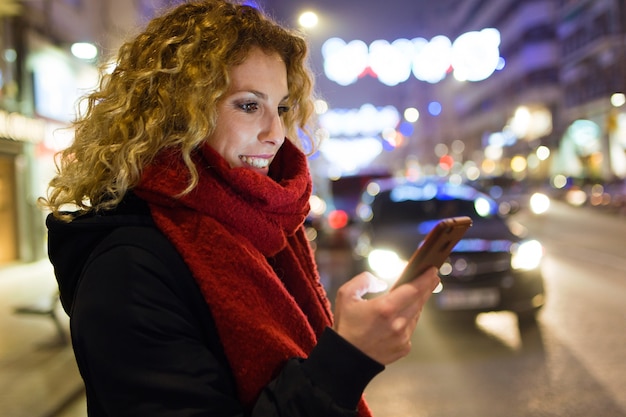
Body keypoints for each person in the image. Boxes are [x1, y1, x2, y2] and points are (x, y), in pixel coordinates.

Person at [40, 1, 440, 416]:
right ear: (178, 112)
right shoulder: (129, 266)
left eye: (281, 108)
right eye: (249, 106)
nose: (275, 134)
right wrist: (347, 359)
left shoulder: (261, 227)